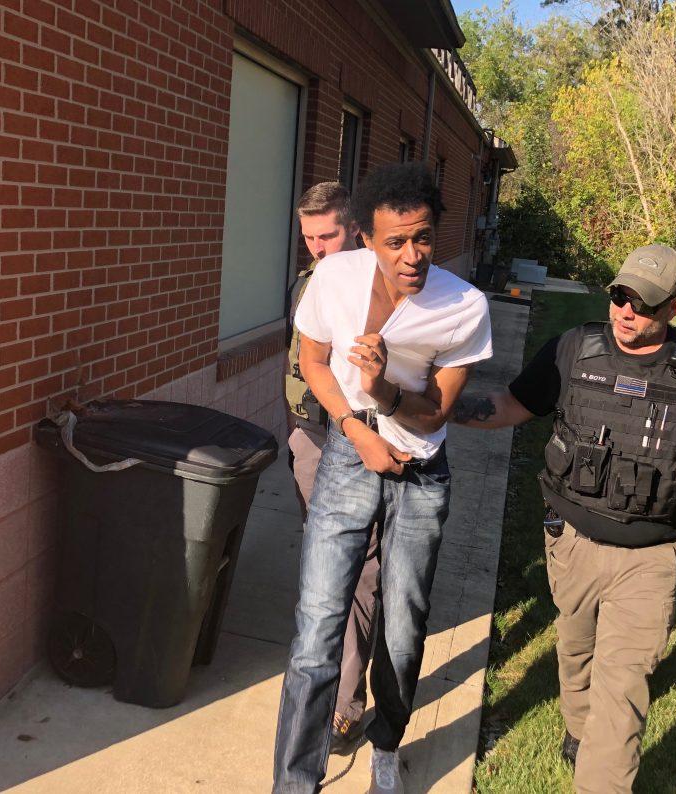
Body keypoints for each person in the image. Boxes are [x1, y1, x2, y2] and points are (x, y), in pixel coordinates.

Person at [452, 244, 676, 793]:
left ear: (674, 307)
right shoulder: (573, 349)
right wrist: (436, 407)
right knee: (575, 647)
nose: (626, 312)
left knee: (623, 686)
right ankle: (577, 728)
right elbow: (512, 405)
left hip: (651, 555)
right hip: (572, 541)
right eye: (619, 296)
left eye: (643, 303)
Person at [273, 162, 493, 794]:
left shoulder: (463, 305)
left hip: (420, 471)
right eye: (395, 241)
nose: (412, 255)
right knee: (317, 625)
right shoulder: (333, 278)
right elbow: (314, 361)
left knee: (403, 626)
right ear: (366, 238)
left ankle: (387, 745)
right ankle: (294, 782)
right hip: (349, 455)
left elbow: (437, 413)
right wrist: (356, 425)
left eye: (423, 238)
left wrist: (382, 389)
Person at [285, 182, 378, 753]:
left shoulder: (378, 290)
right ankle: (320, 674)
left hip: (361, 440)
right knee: (321, 564)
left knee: (360, 567)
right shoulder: (306, 284)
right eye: (309, 238)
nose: (317, 248)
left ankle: (344, 703)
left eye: (328, 236)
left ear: (356, 230)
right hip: (310, 438)